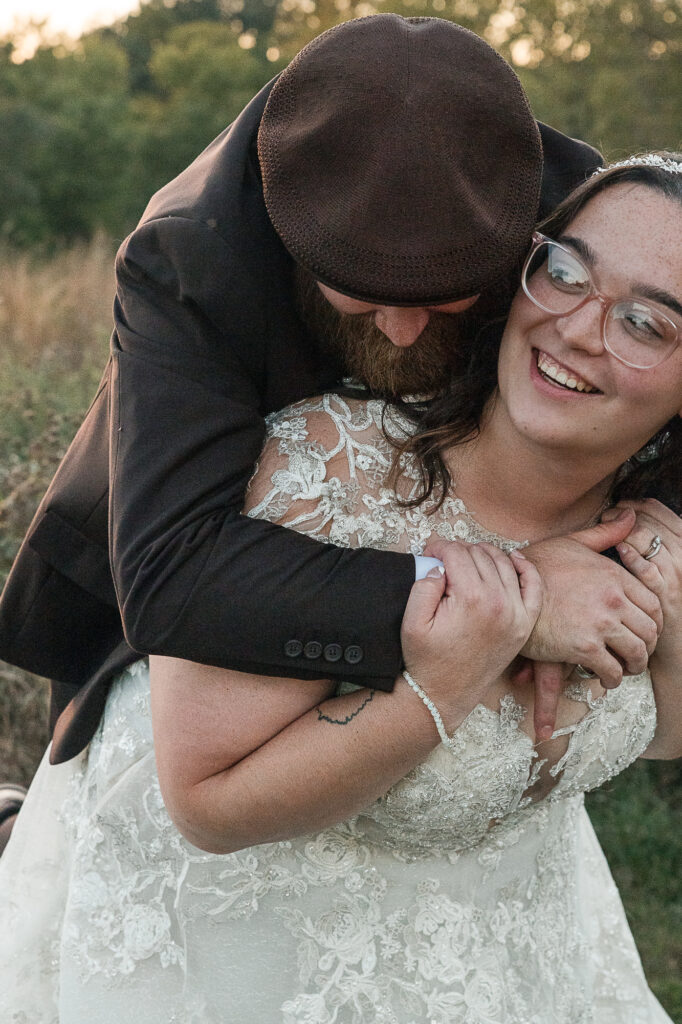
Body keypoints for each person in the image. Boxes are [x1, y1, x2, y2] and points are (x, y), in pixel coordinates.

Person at [1, 153, 680, 1022]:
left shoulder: (652, 525)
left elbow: (661, 733)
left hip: (504, 948)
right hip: (245, 955)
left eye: (646, 325)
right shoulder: (331, 471)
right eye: (566, 273)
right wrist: (445, 681)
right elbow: (205, 805)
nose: (581, 329)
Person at [1, 14, 656, 785]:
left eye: (447, 296)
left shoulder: (565, 208)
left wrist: (654, 517)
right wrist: (513, 601)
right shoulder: (192, 255)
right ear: (290, 235)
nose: (408, 332)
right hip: (180, 589)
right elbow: (171, 572)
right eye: (366, 296)